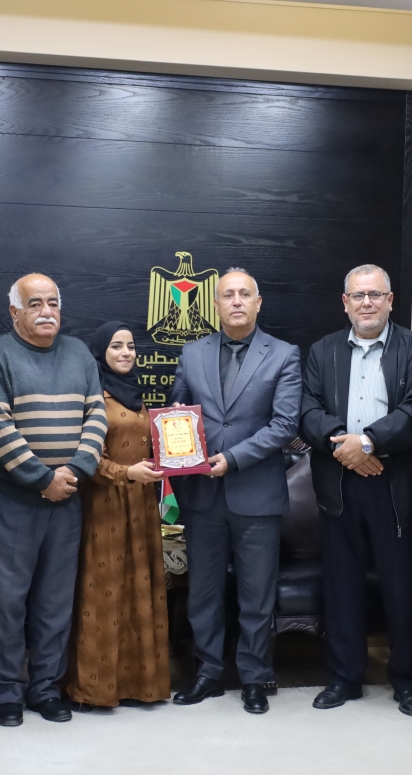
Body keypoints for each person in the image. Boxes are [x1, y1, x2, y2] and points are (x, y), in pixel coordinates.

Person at [299, 264, 412, 716]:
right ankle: (344, 678)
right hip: (339, 485)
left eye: (375, 295)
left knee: (401, 588)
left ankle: (405, 680)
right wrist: (346, 444)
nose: (366, 303)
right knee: (341, 588)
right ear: (345, 303)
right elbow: (307, 409)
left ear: (391, 300)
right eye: (358, 296)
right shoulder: (322, 352)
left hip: (395, 486)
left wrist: (370, 442)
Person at [169, 269, 302, 714]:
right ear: (216, 304)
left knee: (256, 594)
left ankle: (255, 676)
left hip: (256, 494)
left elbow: (285, 425)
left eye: (245, 294)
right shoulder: (192, 353)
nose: (237, 301)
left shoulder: (283, 355)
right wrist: (176, 442)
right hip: (201, 496)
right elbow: (178, 414)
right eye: (228, 295)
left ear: (258, 303)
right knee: (203, 593)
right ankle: (207, 673)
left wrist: (234, 458)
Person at [0, 274, 107, 727]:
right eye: (35, 304)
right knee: (6, 601)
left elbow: (97, 414)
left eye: (53, 302)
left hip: (67, 498)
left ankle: (45, 688)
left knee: (55, 601)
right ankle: (7, 692)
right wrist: (41, 478)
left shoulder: (78, 354)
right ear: (15, 312)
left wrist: (74, 471)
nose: (47, 311)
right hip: (14, 500)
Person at [64, 322, 172, 708]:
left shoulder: (138, 397)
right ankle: (95, 689)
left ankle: (142, 685)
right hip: (105, 506)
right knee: (103, 592)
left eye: (130, 346)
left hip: (141, 506)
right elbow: (87, 459)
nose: (126, 353)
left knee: (140, 589)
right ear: (100, 353)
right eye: (116, 346)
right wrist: (127, 473)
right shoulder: (93, 396)